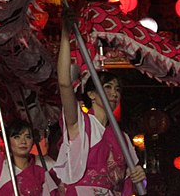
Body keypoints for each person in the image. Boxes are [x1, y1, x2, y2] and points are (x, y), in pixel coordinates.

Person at [54, 15, 146, 195]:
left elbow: (131, 181)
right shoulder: (79, 123)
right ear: (91, 94)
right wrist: (65, 34)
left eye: (117, 89)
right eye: (108, 87)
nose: (114, 93)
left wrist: (137, 175)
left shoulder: (123, 138)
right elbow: (65, 83)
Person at [0, 86, 57, 196]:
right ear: (8, 140)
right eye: (17, 137)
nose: (23, 141)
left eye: (27, 137)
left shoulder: (43, 166)